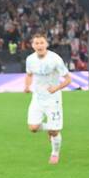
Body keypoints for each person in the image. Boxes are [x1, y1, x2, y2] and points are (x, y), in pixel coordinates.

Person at [23, 33, 71, 165]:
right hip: (37, 98)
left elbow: (68, 79)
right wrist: (27, 86)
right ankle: (50, 129)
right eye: (36, 43)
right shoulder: (30, 59)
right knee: (33, 128)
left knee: (54, 131)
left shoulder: (55, 59)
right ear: (33, 45)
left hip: (53, 99)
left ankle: (55, 154)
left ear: (46, 44)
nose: (39, 45)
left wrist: (57, 88)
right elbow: (29, 74)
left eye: (41, 43)